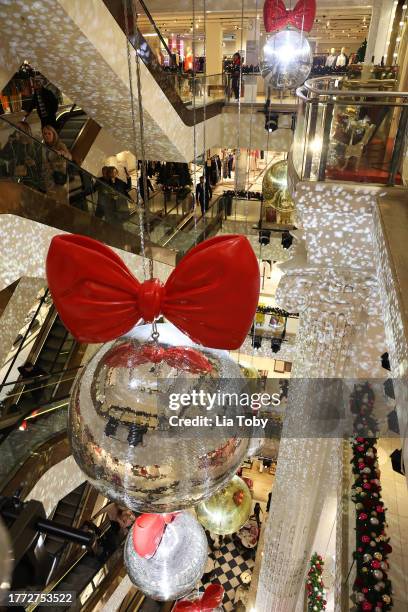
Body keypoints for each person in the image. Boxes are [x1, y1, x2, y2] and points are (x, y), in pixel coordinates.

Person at [0, 121, 40, 188]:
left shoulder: (35, 146)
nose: (16, 130)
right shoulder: (15, 143)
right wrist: (9, 143)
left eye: (19, 128)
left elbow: (40, 165)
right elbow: (3, 156)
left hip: (31, 179)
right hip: (16, 177)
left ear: (26, 130)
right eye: (15, 128)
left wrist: (33, 164)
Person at [41, 125, 72, 203]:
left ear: (53, 134)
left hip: (59, 177)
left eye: (49, 133)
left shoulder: (60, 145)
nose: (47, 136)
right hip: (49, 178)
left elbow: (69, 157)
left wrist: (63, 153)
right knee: (52, 201)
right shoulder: (43, 146)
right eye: (45, 134)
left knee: (61, 200)